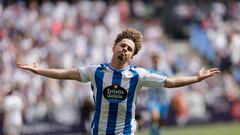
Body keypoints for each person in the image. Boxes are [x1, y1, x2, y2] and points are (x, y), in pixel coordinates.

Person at [17, 28, 220, 135]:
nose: (125, 49)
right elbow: (65, 73)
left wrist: (197, 78)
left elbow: (170, 82)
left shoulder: (139, 75)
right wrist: (38, 70)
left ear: (132, 56)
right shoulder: (95, 71)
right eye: (123, 45)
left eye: (130, 49)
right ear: (114, 47)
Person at [147, 54, 172, 135]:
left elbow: (172, 79)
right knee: (155, 117)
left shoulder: (164, 70)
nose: (156, 61)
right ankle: (153, 130)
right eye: (154, 59)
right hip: (153, 99)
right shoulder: (149, 71)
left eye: (157, 59)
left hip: (163, 99)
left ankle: (158, 131)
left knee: (161, 119)